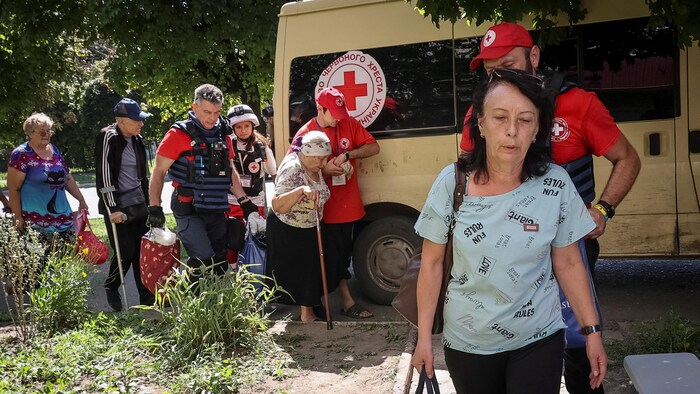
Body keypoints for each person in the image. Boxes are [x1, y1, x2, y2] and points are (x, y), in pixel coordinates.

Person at [461, 22, 640, 394]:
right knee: (510, 347)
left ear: (535, 57)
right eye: (493, 70)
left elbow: (627, 158)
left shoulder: (578, 104)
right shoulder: (479, 115)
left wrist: (603, 210)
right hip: (502, 257)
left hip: (568, 249)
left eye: (509, 63)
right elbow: (467, 180)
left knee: (578, 350)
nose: (501, 75)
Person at [412, 68, 607, 393]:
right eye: (500, 117)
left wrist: (592, 332)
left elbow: (570, 263)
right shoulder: (452, 183)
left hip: (539, 337)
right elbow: (431, 264)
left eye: (525, 120)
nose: (512, 131)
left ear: (537, 130)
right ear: (482, 125)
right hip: (468, 342)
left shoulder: (556, 185)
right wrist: (422, 340)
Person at [147, 84, 256, 286]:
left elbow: (229, 169)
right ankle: (191, 303)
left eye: (217, 112)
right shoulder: (178, 134)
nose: (212, 118)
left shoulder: (223, 134)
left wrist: (244, 201)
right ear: (194, 107)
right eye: (207, 112)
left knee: (219, 261)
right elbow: (159, 171)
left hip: (217, 206)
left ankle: (216, 309)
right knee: (202, 260)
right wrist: (155, 207)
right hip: (189, 206)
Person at [288, 87, 380, 319]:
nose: (339, 118)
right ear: (320, 108)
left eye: (342, 112)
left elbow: (373, 147)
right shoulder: (306, 132)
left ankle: (329, 302)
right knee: (328, 254)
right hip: (320, 208)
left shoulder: (349, 122)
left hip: (348, 203)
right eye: (334, 113)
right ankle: (344, 302)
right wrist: (323, 170)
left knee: (341, 252)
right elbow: (292, 170)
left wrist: (349, 156)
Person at [267, 130, 339, 322]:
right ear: (307, 155)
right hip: (289, 228)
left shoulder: (313, 165)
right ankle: (306, 316)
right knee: (303, 271)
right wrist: (300, 191)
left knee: (313, 269)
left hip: (310, 224)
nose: (324, 164)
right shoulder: (293, 168)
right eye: (321, 159)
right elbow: (277, 205)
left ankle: (309, 312)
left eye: (326, 159)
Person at [95, 98, 155, 311]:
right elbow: (104, 175)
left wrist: (151, 204)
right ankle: (111, 286)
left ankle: (146, 297)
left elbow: (143, 175)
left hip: (139, 204)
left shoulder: (137, 139)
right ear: (121, 120)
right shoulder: (108, 137)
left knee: (142, 252)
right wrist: (112, 208)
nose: (141, 124)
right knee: (126, 252)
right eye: (136, 120)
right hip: (118, 207)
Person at [7, 112, 88, 246]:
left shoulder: (54, 150)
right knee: (41, 265)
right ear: (30, 133)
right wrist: (18, 217)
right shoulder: (21, 154)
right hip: (35, 223)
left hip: (63, 220)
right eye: (42, 132)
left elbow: (67, 178)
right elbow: (14, 189)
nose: (46, 135)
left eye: (48, 131)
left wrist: (81, 199)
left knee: (65, 262)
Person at [225, 104, 277, 266]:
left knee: (255, 237)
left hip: (256, 202)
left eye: (247, 126)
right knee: (233, 238)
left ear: (253, 125)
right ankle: (234, 271)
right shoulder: (227, 145)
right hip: (232, 201)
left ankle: (254, 269)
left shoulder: (261, 147)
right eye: (238, 127)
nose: (243, 130)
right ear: (232, 128)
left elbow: (274, 173)